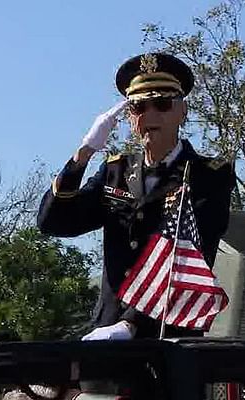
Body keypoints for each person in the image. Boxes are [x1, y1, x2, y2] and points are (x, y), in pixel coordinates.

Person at [37, 52, 233, 340]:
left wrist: (132, 324)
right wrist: (83, 154)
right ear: (129, 118)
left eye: (162, 104)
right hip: (107, 330)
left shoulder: (209, 174)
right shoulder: (115, 171)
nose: (150, 115)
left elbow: (191, 251)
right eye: (139, 107)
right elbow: (54, 223)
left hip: (168, 335)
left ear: (182, 111)